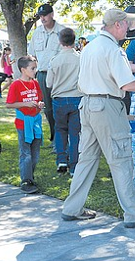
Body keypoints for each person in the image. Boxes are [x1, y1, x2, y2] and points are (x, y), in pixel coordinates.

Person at [61, 8, 135, 228]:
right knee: (121, 160)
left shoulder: (90, 47)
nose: (129, 28)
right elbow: (128, 85)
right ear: (118, 25)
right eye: (126, 24)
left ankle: (71, 208)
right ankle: (134, 214)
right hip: (107, 105)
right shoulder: (113, 49)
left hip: (87, 104)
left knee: (86, 159)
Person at [5, 56, 45, 194]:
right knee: (25, 153)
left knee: (35, 152)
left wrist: (40, 104)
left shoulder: (35, 83)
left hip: (35, 122)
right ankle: (26, 180)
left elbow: (39, 99)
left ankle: (30, 176)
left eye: (35, 68)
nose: (35, 71)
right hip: (23, 124)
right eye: (32, 68)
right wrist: (25, 104)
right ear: (23, 69)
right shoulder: (16, 85)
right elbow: (9, 104)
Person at [46, 28, 83, 175]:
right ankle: (74, 166)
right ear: (74, 40)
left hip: (59, 99)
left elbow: (49, 83)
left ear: (60, 41)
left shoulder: (55, 60)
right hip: (76, 98)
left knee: (60, 130)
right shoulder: (80, 59)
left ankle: (61, 159)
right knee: (75, 133)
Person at [28, 3, 65, 143]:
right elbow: (32, 55)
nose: (42, 18)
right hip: (42, 74)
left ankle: (62, 139)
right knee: (47, 108)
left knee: (60, 106)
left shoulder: (62, 31)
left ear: (52, 14)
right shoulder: (37, 32)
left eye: (45, 15)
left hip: (59, 75)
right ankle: (55, 136)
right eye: (40, 16)